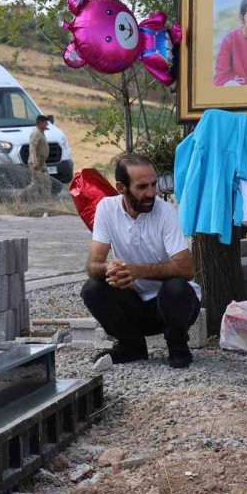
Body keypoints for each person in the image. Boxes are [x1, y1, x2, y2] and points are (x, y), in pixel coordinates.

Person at [81, 154, 202, 368]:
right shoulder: (106, 209)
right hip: (134, 302)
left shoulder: (166, 213)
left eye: (154, 184)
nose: (151, 193)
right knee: (92, 288)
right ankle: (131, 346)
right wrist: (111, 269)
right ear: (121, 188)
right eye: (142, 187)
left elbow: (186, 269)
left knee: (176, 287)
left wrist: (138, 271)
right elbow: (92, 265)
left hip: (170, 306)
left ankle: (178, 345)